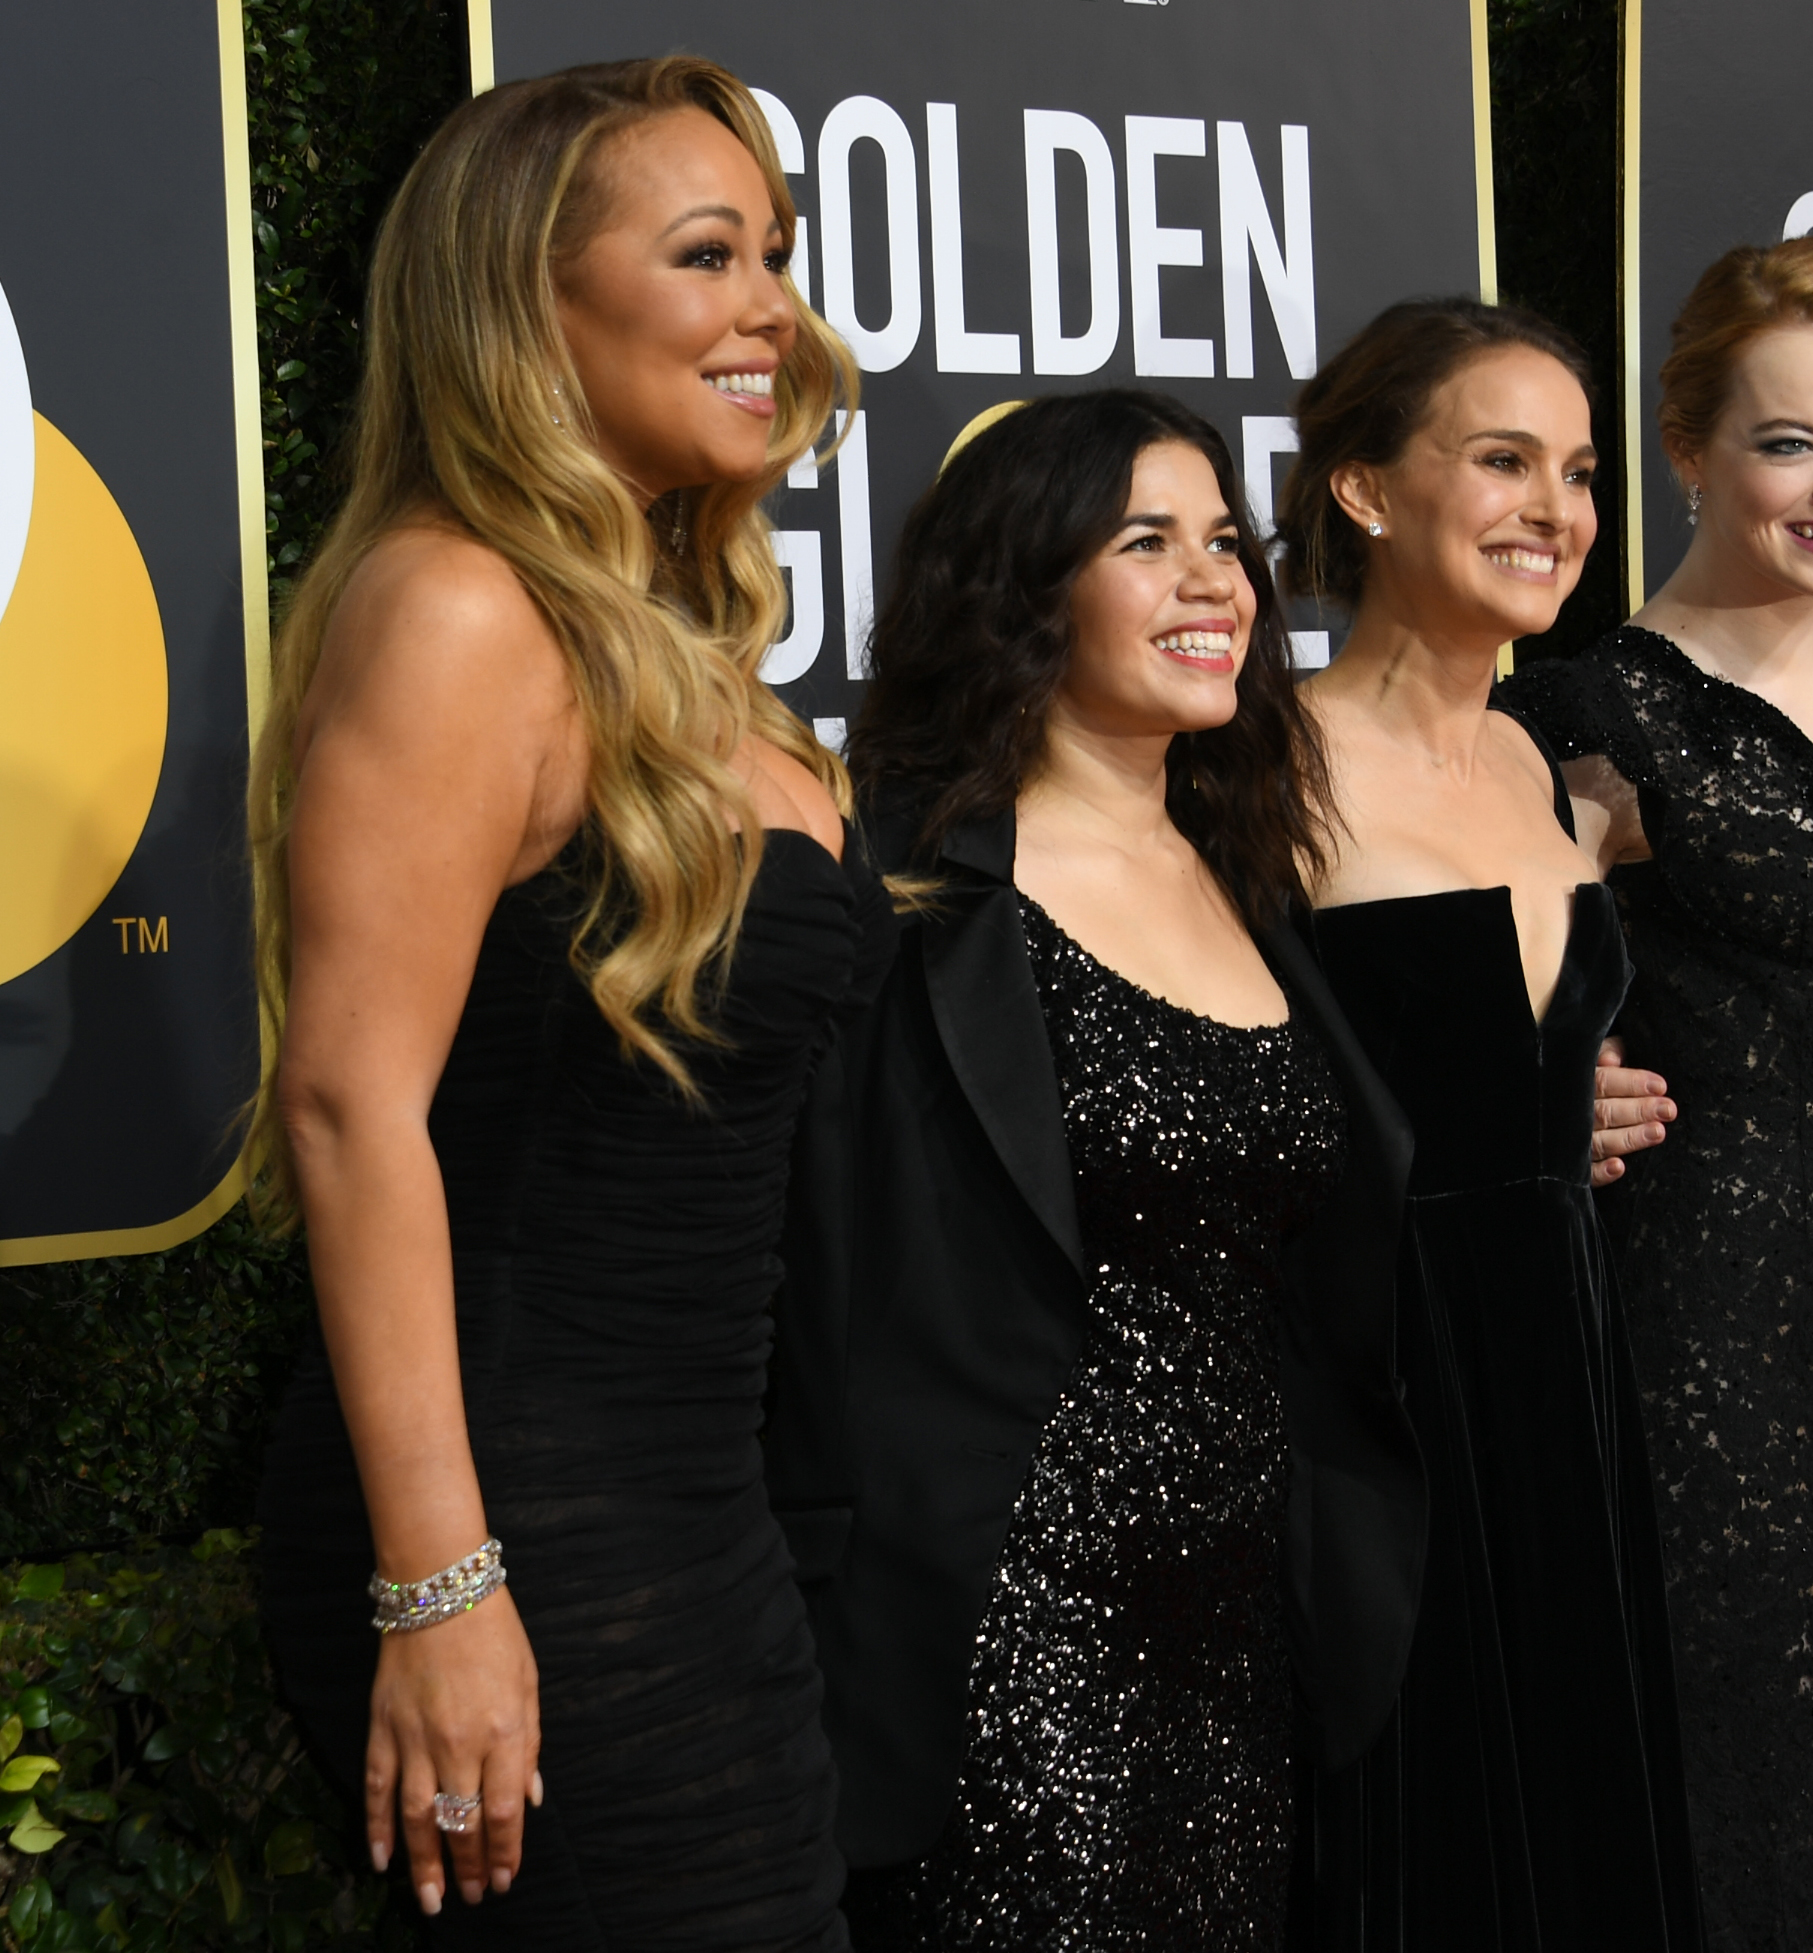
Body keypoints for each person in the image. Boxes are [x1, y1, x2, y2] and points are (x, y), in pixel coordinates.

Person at [247, 58, 878, 1946]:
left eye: (775, 252)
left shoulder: (687, 654)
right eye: (708, 253)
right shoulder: (457, 611)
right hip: (517, 1523)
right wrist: (440, 1583)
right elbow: (349, 1104)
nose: (774, 304)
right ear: (525, 303)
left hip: (703, 1510)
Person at [761, 391, 1425, 1951]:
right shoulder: (907, 890)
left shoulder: (1250, 873)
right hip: (1005, 1642)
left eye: (1225, 543)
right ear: (1023, 583)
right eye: (1147, 542)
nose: (1216, 584)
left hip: (1244, 1640)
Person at [1502, 237, 1813, 1948]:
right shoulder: (1595, 715)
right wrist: (1540, 1094)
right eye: (1791, 441)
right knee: (1747, 1820)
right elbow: (1475, 1007)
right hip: (1708, 1347)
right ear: (1687, 445)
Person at [1280, 298, 1700, 1950]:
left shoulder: (1549, 769)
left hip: (1568, 1374)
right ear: (1369, 490)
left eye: (1581, 470)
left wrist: (1546, 1092)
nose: (1558, 508)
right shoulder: (1262, 768)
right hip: (1377, 1389)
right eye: (1503, 459)